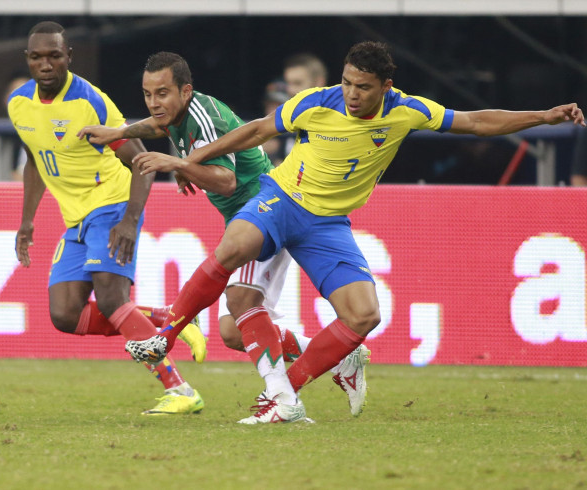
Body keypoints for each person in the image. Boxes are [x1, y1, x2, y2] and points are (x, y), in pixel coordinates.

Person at [125, 41, 585, 423]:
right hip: (282, 199)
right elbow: (257, 131)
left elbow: (475, 122)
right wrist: (191, 162)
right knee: (235, 250)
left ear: (386, 86)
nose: (350, 94)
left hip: (328, 223)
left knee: (364, 315)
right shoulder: (315, 102)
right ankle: (165, 336)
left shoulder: (407, 110)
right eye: (346, 83)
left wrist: (543, 116)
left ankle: (285, 397)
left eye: (362, 87)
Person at [79, 51, 370, 424]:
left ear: (186, 91)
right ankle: (339, 356)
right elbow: (156, 127)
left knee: (240, 298)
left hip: (265, 213)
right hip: (247, 217)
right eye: (148, 94)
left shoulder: (204, 115)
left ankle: (283, 399)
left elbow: (227, 180)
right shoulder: (177, 115)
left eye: (163, 93)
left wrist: (181, 164)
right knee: (233, 332)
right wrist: (119, 133)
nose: (154, 102)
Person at [9, 22, 205, 415]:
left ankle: (180, 389)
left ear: (69, 57)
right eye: (37, 56)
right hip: (75, 217)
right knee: (65, 314)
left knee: (112, 298)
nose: (45, 64)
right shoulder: (18, 104)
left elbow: (141, 160)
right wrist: (27, 219)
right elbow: (34, 158)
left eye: (54, 55)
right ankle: (164, 318)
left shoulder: (90, 102)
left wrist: (130, 220)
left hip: (112, 204)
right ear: (27, 59)